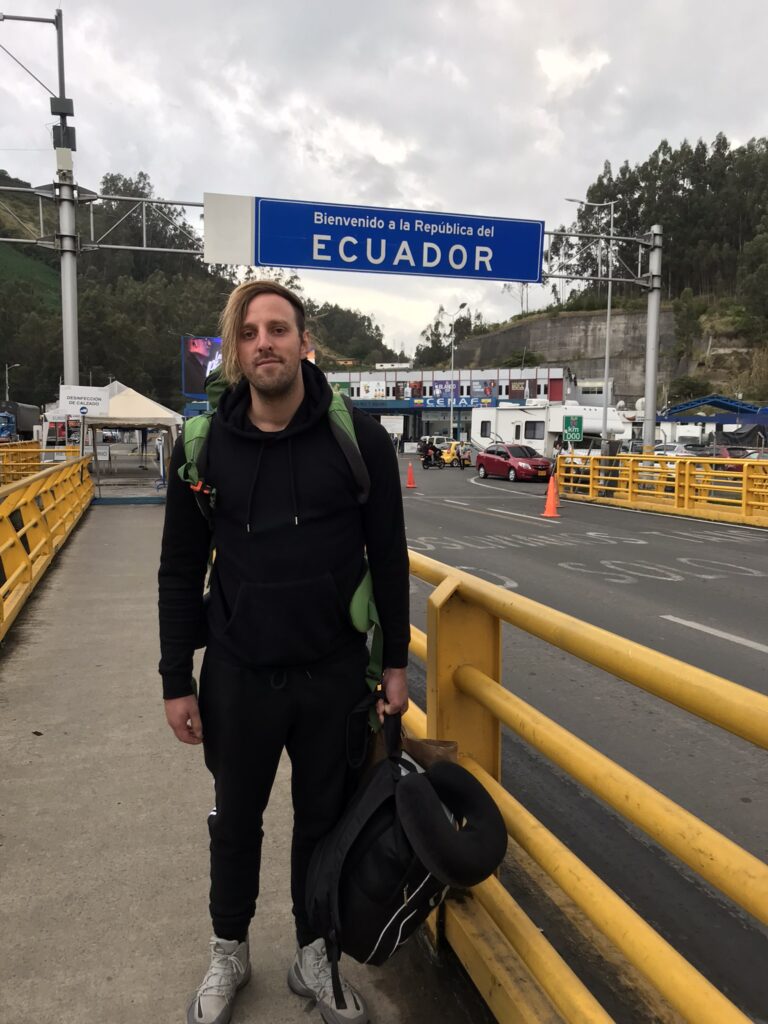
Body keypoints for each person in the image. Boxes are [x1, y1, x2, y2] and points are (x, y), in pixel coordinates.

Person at [158, 280, 410, 1024]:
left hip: (334, 675)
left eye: (279, 328)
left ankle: (313, 956)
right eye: (249, 332)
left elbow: (389, 556)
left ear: (306, 344)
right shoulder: (201, 447)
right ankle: (227, 949)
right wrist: (177, 678)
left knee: (321, 824)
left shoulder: (359, 440)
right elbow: (178, 569)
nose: (264, 341)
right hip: (236, 674)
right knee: (235, 820)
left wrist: (393, 661)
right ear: (235, 352)